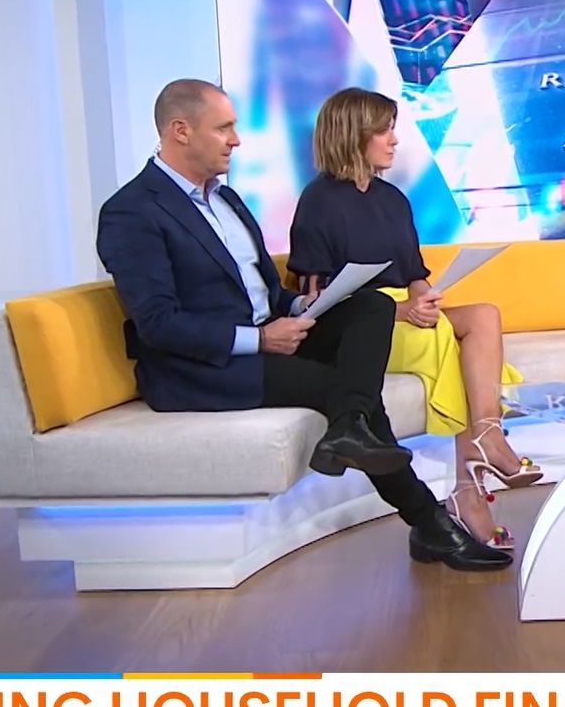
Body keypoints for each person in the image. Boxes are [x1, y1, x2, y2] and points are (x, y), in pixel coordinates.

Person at [95, 78, 509, 572]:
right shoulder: (132, 211)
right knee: (344, 390)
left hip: (269, 334)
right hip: (204, 366)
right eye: (224, 128)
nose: (236, 140)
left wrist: (299, 307)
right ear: (180, 130)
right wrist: (260, 339)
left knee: (371, 306)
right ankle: (429, 522)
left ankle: (356, 435)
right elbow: (158, 324)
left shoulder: (227, 201)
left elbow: (266, 293)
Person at [287, 87, 539, 552]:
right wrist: (401, 311)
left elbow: (414, 276)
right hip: (361, 331)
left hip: (406, 315)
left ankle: (486, 436)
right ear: (353, 134)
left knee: (483, 315)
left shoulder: (393, 199)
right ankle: (471, 488)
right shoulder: (318, 201)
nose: (394, 140)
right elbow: (315, 303)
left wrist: (425, 299)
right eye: (383, 130)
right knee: (450, 346)